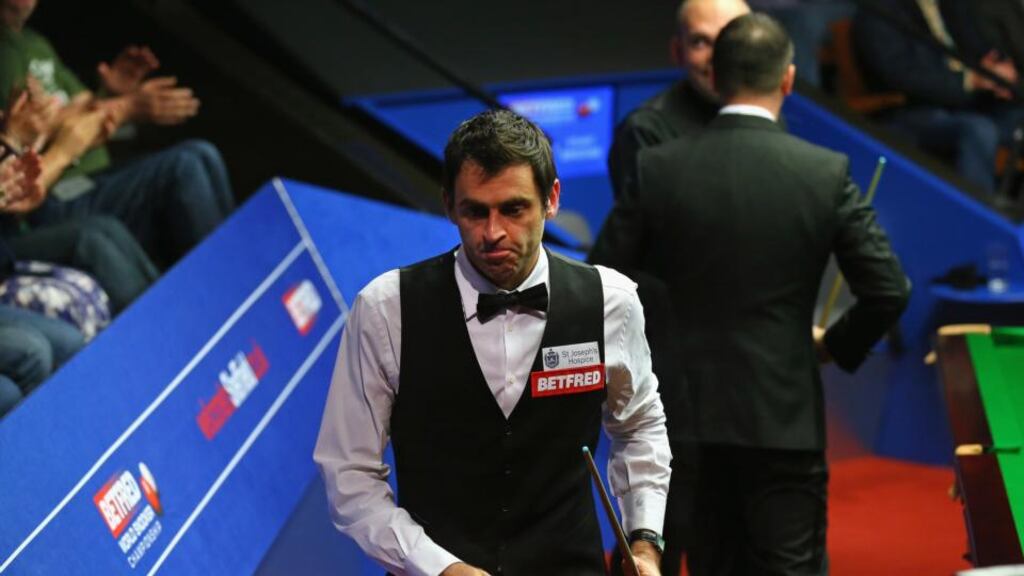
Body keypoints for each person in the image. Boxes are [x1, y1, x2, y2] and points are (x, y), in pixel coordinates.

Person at [590, 13, 910, 575]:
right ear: (787, 79)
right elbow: (889, 290)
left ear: (716, 73)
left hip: (684, 416)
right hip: (783, 420)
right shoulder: (824, 171)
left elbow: (603, 284)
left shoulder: (658, 168)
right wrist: (832, 344)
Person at [315, 109, 671, 576]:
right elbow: (349, 472)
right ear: (448, 205)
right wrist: (438, 567)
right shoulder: (386, 308)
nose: (493, 233)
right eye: (475, 211)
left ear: (552, 199)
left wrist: (643, 541)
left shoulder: (611, 302)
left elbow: (639, 427)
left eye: (514, 208)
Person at [0, 0, 234, 267]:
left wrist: (108, 96)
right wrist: (126, 106)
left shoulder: (35, 42)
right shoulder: (5, 51)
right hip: (55, 194)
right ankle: (231, 283)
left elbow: (79, 106)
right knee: (185, 164)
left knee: (202, 153)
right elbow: (30, 129)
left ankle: (247, 278)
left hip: (92, 176)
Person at [853, 0, 1024, 194]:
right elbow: (902, 76)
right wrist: (969, 81)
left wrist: (993, 72)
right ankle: (972, 220)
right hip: (913, 110)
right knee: (979, 130)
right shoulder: (880, 10)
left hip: (971, 102)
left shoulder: (951, 5)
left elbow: (978, 47)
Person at [608, 0, 750, 200]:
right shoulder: (645, 131)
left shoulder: (764, 115)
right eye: (700, 42)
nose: (718, 56)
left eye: (732, 41)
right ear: (678, 52)